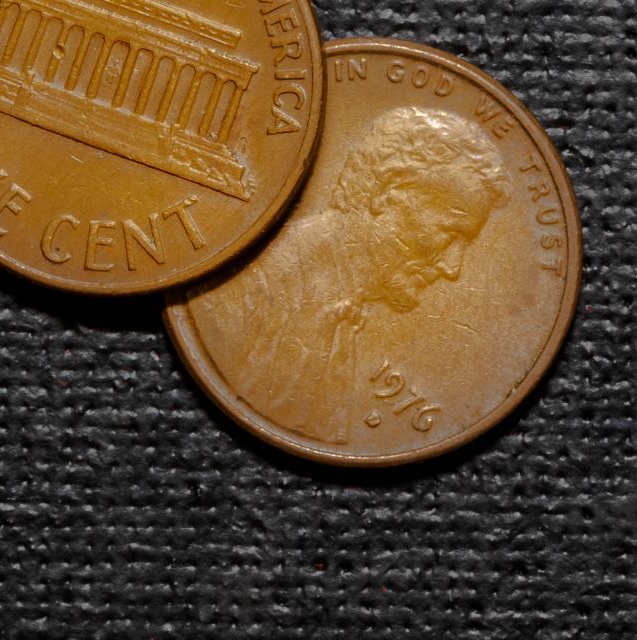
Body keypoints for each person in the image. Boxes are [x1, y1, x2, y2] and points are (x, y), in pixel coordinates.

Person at [195, 105, 513, 444]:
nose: (453, 268)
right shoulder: (247, 285)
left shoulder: (341, 309)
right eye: (450, 234)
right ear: (387, 193)